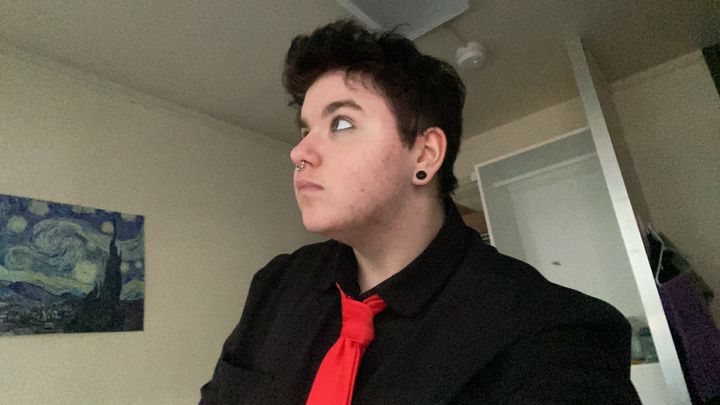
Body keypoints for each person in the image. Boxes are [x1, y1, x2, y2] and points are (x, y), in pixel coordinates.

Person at [200, 20, 641, 404]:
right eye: (305, 131)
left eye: (341, 123)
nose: (299, 152)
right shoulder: (276, 285)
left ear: (425, 154)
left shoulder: (553, 336)